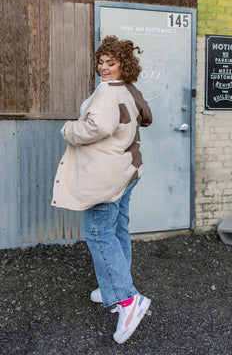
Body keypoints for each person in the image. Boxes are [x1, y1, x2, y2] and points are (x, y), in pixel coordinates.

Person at [51, 35, 153, 344]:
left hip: (105, 175)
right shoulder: (130, 91)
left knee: (98, 232)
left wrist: (69, 129)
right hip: (127, 171)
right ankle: (113, 285)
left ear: (124, 65)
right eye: (100, 62)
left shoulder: (108, 92)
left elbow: (98, 127)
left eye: (111, 63)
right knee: (118, 227)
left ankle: (126, 298)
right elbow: (143, 118)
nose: (103, 68)